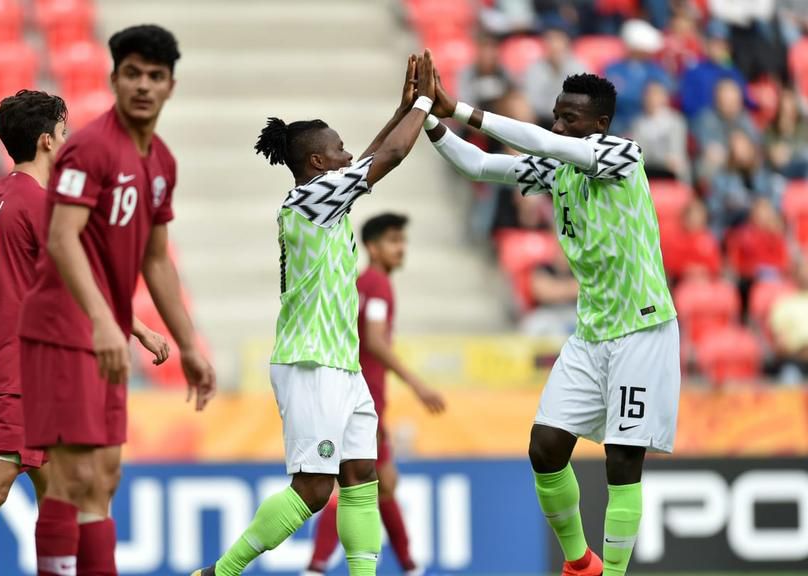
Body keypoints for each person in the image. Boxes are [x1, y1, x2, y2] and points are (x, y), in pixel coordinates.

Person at [424, 72, 680, 576]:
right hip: (590, 333)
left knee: (622, 461)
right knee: (544, 447)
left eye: (571, 118)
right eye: (557, 114)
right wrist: (426, 117)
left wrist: (462, 109)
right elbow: (477, 164)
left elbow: (538, 140)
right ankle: (580, 562)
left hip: (642, 329)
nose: (559, 125)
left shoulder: (622, 157)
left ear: (600, 125)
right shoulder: (556, 169)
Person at [195, 51, 436, 576]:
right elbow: (388, 158)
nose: (349, 154)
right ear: (318, 164)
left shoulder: (323, 196)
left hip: (340, 365)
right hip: (312, 363)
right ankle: (221, 572)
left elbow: (375, 152)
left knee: (360, 477)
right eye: (339, 149)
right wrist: (425, 103)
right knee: (313, 490)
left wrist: (400, 112)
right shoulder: (312, 200)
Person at [0, 89, 173, 575]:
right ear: (47, 142)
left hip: (4, 370)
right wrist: (143, 331)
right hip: (22, 373)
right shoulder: (44, 207)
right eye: (65, 132)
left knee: (65, 500)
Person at [17, 25, 215, 576]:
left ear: (171, 85)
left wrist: (189, 345)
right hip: (61, 326)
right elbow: (61, 238)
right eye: (133, 74)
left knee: (105, 478)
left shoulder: (161, 163)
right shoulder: (90, 148)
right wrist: (106, 321)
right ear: (114, 79)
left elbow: (156, 260)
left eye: (155, 76)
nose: (144, 86)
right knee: (71, 475)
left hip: (100, 331)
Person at [305, 213, 446, 576]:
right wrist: (417, 384)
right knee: (365, 483)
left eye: (403, 241)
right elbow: (374, 339)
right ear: (372, 246)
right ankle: (321, 567)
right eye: (393, 241)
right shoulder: (379, 284)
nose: (401, 249)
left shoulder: (360, 284)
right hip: (365, 400)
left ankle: (405, 566)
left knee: (375, 482)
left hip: (348, 394)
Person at [604, 19, 672, 135]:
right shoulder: (614, 69)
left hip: (649, 122)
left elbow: (665, 92)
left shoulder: (655, 69)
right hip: (620, 123)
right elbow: (613, 97)